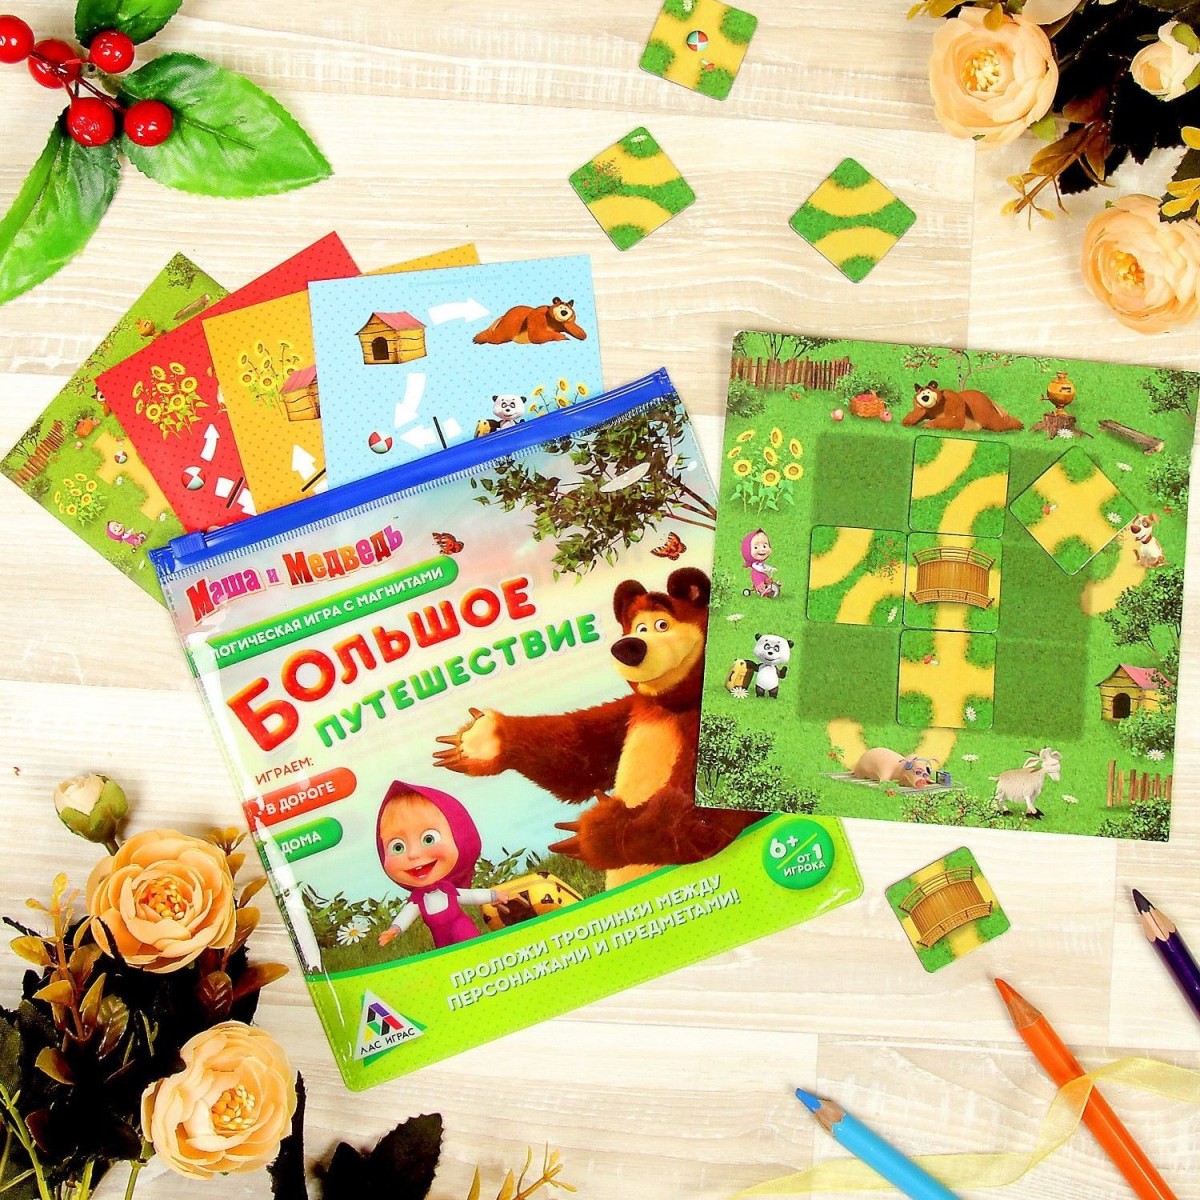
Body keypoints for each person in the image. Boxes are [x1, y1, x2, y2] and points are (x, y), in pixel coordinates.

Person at [375, 780, 503, 950]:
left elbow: (470, 896)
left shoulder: (447, 890)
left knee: (471, 945)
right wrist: (394, 929)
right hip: (439, 935)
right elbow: (407, 914)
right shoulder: (418, 899)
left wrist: (494, 896)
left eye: (429, 839)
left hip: (459, 926)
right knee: (446, 955)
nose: (413, 854)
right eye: (398, 847)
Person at [741, 528, 780, 597]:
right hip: (757, 575)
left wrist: (771, 568)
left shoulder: (761, 564)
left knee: (767, 579)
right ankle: (762, 590)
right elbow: (760, 568)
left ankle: (771, 586)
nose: (762, 549)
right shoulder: (755, 564)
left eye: (765, 546)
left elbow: (765, 566)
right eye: (756, 547)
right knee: (760, 582)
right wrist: (765, 569)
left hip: (763, 574)